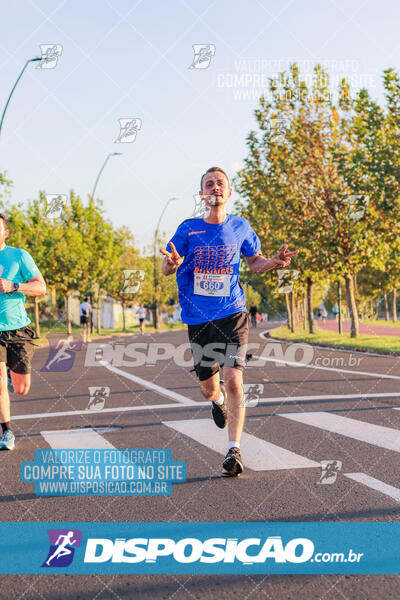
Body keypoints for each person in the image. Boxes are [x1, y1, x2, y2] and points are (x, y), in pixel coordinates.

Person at [160, 167, 298, 477]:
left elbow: (254, 261)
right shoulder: (188, 229)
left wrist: (273, 263)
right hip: (198, 317)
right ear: (202, 195)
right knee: (209, 390)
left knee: (234, 378)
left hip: (233, 312)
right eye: (209, 184)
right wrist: (170, 264)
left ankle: (233, 450)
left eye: (220, 183)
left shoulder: (241, 227)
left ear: (229, 191)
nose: (215, 187)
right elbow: (168, 266)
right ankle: (218, 401)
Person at [0, 214, 46, 450]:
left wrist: (14, 286)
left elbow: (41, 287)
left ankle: (12, 374)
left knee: (21, 388)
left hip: (17, 329)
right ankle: (7, 432)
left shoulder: (18, 256)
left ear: (5, 233)